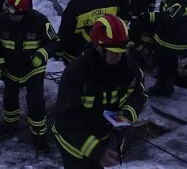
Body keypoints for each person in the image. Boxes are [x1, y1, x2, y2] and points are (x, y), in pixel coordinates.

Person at [52, 14, 147, 169]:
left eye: (121, 50)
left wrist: (126, 115)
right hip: (75, 146)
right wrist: (95, 150)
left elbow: (139, 94)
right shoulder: (76, 73)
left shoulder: (129, 68)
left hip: (103, 140)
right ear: (97, 46)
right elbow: (66, 119)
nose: (118, 55)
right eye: (113, 50)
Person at [0, 0, 57, 154]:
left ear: (23, 12)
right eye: (8, 11)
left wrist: (42, 54)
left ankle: (39, 136)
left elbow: (53, 42)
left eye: (13, 13)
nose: (10, 16)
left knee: (36, 101)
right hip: (11, 68)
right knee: (9, 96)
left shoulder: (39, 21)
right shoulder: (2, 21)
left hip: (33, 69)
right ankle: (10, 123)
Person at [55, 0, 119, 64]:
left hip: (76, 56)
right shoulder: (111, 1)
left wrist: (57, 52)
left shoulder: (74, 6)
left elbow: (65, 34)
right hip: (103, 53)